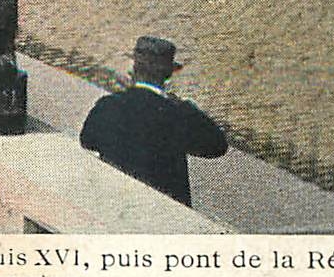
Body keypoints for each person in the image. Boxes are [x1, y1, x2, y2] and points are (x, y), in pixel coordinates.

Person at [79, 36, 228, 207]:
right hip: (166, 210)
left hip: (117, 205)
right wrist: (186, 106)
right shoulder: (179, 114)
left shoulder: (109, 104)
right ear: (168, 74)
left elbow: (87, 140)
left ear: (134, 68)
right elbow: (217, 146)